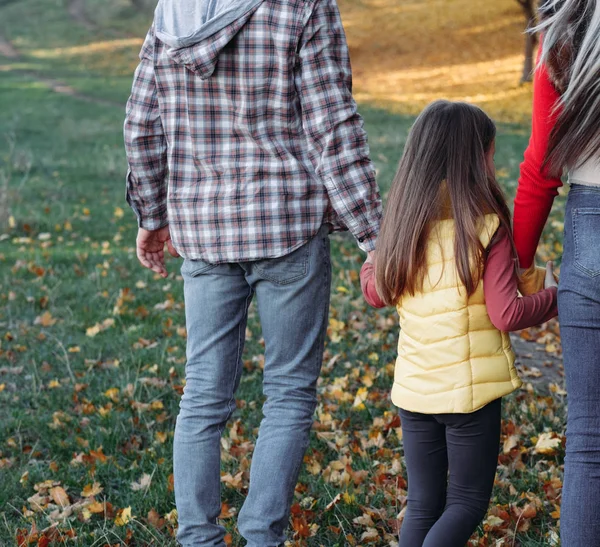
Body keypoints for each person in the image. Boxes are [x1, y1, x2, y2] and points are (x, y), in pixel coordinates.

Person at [123, 0, 382, 545]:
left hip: (205, 230)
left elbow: (141, 122)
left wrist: (152, 214)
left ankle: (198, 538)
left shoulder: (174, 11)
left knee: (203, 395)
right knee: (288, 391)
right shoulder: (305, 6)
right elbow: (331, 123)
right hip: (285, 221)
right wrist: (374, 235)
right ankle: (263, 537)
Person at [360, 100, 558, 547]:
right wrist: (557, 297)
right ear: (475, 159)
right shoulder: (487, 229)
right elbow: (506, 312)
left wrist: (371, 264)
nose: (493, 165)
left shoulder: (402, 227)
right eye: (490, 154)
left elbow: (376, 292)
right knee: (466, 502)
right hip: (470, 398)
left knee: (425, 503)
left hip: (414, 394)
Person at [514, 1, 600, 544]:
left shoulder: (566, 33)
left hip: (590, 227)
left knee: (589, 437)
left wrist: (519, 265)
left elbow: (541, 166)